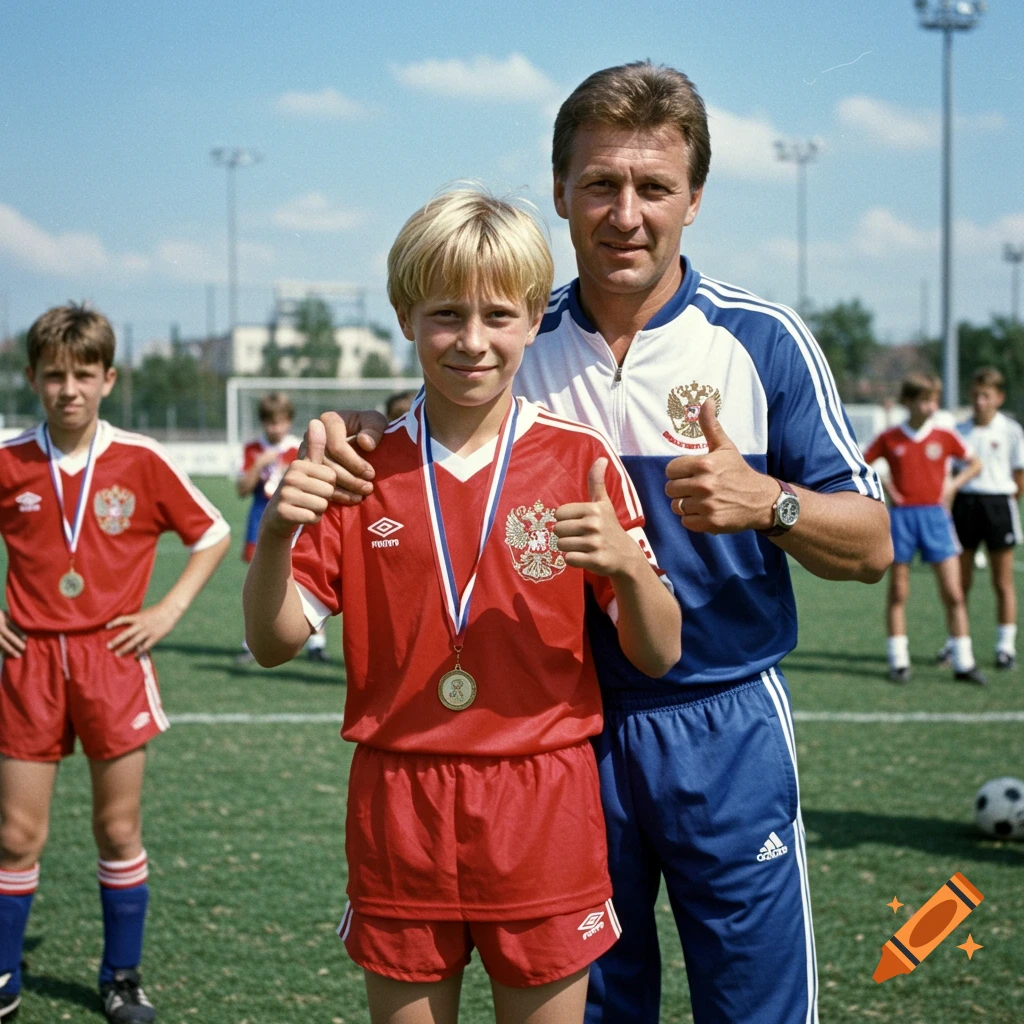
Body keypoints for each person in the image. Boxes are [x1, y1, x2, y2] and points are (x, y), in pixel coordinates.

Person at [318, 62, 893, 1024]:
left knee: (754, 1003)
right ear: (561, 193)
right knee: (596, 1010)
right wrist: (351, 425)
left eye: (654, 187)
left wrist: (771, 504)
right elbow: (412, 440)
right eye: (600, 184)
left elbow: (873, 543)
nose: (626, 213)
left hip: (724, 721)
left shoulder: (763, 340)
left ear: (694, 200)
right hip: (562, 738)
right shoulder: (514, 335)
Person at [243, 188, 681, 1024]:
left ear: (529, 320)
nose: (473, 342)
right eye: (447, 315)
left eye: (498, 316)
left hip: (541, 799)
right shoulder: (359, 467)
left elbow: (659, 651)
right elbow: (272, 642)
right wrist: (274, 536)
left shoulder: (579, 458)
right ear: (407, 317)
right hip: (398, 800)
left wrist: (629, 567)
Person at [0, 304, 231, 1023]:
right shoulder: (11, 461)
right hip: (29, 662)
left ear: (108, 378)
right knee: (14, 835)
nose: (69, 388)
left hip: (111, 658)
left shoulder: (140, 458)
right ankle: (3, 973)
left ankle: (122, 976)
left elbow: (213, 532)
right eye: (54, 375)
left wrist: (166, 613)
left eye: (84, 374)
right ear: (34, 379)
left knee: (118, 828)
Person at [864, 373, 983, 685]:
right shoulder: (890, 437)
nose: (932, 407)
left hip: (936, 517)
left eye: (934, 400)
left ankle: (963, 661)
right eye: (925, 400)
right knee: (899, 590)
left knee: (954, 593)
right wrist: (887, 486)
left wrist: (953, 487)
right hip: (902, 518)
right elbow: (861, 463)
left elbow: (975, 464)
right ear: (909, 402)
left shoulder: (944, 436)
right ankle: (899, 660)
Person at [236, 392, 327, 663]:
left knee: (309, 576)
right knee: (259, 577)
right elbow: (241, 489)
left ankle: (317, 643)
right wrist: (257, 466)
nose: (275, 428)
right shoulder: (252, 449)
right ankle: (251, 640)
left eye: (280, 422)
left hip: (296, 519)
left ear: (288, 421)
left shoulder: (298, 447)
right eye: (269, 422)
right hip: (259, 519)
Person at [950, 367, 1024, 670]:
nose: (980, 401)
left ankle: (1005, 646)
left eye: (987, 396)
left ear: (998, 398)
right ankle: (956, 643)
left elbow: (1019, 475)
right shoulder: (960, 430)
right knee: (960, 582)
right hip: (965, 504)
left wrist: (1006, 501)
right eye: (976, 395)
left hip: (997, 506)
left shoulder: (1011, 430)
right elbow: (954, 472)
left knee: (1002, 581)